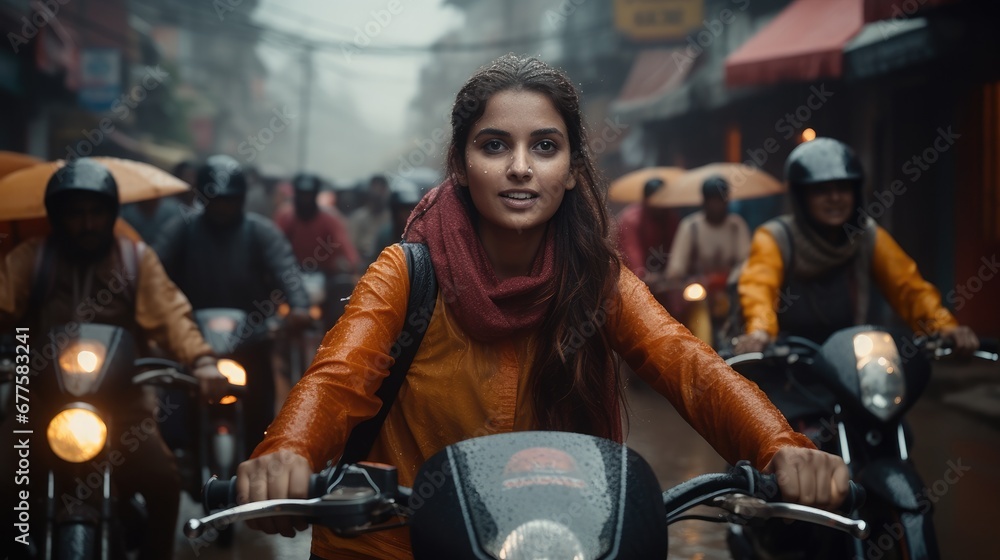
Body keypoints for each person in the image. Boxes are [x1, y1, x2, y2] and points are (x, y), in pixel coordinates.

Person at [235, 55, 850, 559]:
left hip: (549, 540)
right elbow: (337, 379)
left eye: (545, 146)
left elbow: (687, 363)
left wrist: (779, 447)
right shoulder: (404, 272)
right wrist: (287, 454)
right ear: (461, 163)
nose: (521, 168)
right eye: (495, 145)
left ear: (574, 171)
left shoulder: (596, 279)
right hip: (393, 544)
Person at [0, 158, 229, 560]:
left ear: (110, 213)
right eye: (75, 214)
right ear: (57, 217)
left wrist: (203, 359)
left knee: (162, 482)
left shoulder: (135, 259)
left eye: (96, 212)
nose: (86, 223)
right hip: (36, 401)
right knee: (5, 478)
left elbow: (172, 314)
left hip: (123, 405)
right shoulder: (31, 258)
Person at [733, 137, 978, 354]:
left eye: (843, 188)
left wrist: (944, 327)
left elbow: (908, 287)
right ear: (801, 197)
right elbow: (758, 289)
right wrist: (760, 332)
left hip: (849, 364)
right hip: (783, 364)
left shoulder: (866, 235)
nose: (835, 198)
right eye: (821, 190)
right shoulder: (775, 237)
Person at [153, 155, 312, 450]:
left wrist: (299, 307)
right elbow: (153, 274)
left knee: (262, 422)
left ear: (241, 199)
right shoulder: (181, 230)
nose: (223, 207)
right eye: (217, 200)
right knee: (171, 424)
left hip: (251, 340)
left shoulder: (261, 232)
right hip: (192, 343)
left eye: (230, 200)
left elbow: (287, 272)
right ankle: (180, 458)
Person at [275, 172, 360, 327]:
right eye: (301, 194)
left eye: (308, 195)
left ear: (315, 195)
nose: (305, 199)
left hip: (324, 273)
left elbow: (345, 246)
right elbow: (274, 245)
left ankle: (333, 333)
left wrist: (354, 269)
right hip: (291, 273)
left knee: (340, 297)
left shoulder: (330, 218)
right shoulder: (286, 217)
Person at [665, 175, 750, 281]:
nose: (716, 205)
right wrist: (677, 275)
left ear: (726, 201)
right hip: (698, 289)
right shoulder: (691, 226)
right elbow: (677, 266)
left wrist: (732, 277)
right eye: (712, 201)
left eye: (719, 200)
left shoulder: (736, 225)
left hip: (730, 287)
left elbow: (746, 261)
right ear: (704, 202)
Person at [616, 177, 681, 281]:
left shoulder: (670, 217)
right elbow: (632, 251)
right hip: (633, 275)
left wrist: (674, 273)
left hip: (663, 274)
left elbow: (676, 247)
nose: (660, 204)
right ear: (646, 200)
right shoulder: (632, 219)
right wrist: (642, 275)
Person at [348, 173, 392, 267]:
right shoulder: (358, 217)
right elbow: (351, 245)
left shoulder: (391, 218)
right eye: (375, 189)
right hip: (363, 263)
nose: (377, 194)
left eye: (381, 189)